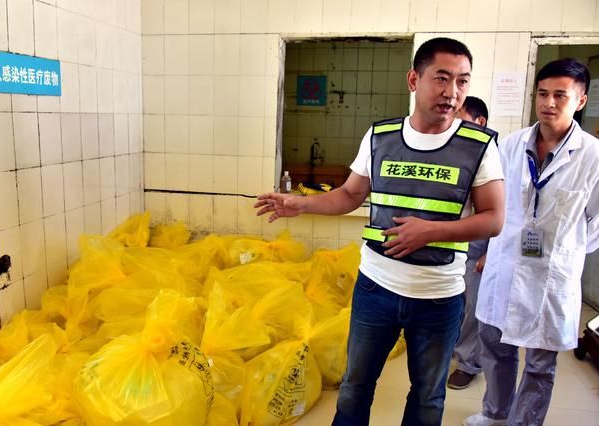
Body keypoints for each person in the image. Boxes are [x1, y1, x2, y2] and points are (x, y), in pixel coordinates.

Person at [255, 37, 505, 426]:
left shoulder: (478, 147)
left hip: (438, 296)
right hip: (376, 288)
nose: (452, 92)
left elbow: (494, 218)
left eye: (462, 81)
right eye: (442, 78)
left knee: (426, 396)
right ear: (413, 79)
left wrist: (430, 231)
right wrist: (300, 203)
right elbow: (351, 195)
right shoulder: (380, 137)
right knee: (355, 387)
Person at [464, 58, 599, 426]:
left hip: (553, 276)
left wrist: (563, 256)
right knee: (495, 346)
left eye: (560, 95)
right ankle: (495, 413)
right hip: (504, 264)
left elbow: (595, 223)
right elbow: (495, 204)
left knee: (540, 363)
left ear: (581, 101)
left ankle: (523, 423)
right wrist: (494, 250)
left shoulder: (593, 156)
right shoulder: (510, 145)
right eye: (542, 93)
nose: (549, 103)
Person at [447, 96, 491, 390]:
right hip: (455, 239)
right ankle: (455, 349)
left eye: (460, 118)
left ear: (480, 122)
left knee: (475, 305)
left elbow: (507, 213)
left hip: (481, 244)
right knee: (457, 300)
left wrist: (492, 252)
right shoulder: (455, 151)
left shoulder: (494, 154)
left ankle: (468, 364)